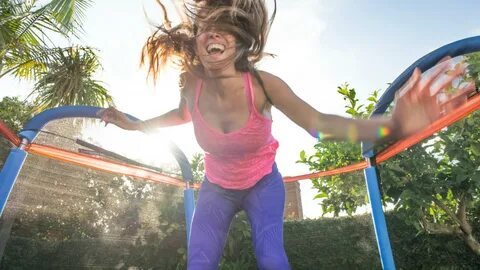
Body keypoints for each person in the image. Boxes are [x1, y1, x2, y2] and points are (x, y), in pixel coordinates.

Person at [98, 1, 474, 269]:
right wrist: (136, 124)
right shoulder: (192, 86)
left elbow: (322, 125)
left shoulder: (263, 86)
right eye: (203, 27)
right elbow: (181, 115)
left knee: (271, 258)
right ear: (196, 41)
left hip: (263, 183)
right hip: (216, 185)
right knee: (199, 261)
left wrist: (393, 124)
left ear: (241, 40)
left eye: (224, 25)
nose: (211, 31)